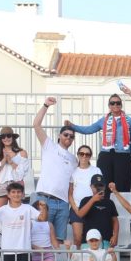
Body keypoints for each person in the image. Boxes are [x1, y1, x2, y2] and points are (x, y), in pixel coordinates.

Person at [66, 92, 131, 191]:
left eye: (118, 103)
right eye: (112, 103)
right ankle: (105, 206)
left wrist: (127, 152)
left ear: (121, 105)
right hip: (106, 156)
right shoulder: (103, 120)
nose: (115, 105)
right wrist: (72, 126)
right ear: (109, 106)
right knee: (104, 185)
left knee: (122, 186)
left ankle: (120, 206)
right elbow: (89, 129)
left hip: (123, 156)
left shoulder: (129, 120)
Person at [32, 98, 79, 246]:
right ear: (59, 135)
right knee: (40, 238)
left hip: (63, 203)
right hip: (45, 199)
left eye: (71, 137)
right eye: (66, 135)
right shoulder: (49, 146)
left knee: (58, 241)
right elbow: (36, 125)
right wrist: (46, 105)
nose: (68, 138)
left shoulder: (74, 159)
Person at [0, 126, 31, 211]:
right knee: (0, 213)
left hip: (16, 184)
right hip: (1, 184)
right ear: (1, 139)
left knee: (17, 213)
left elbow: (22, 173)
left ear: (13, 137)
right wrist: (4, 160)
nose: (6, 138)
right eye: (3, 136)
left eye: (8, 136)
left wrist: (11, 161)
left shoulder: (22, 153)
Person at [74, 173, 120, 248]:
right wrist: (93, 200)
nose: (99, 188)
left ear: (105, 187)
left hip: (106, 241)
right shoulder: (85, 200)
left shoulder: (109, 202)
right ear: (91, 187)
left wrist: (115, 236)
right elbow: (80, 214)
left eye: (101, 186)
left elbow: (115, 221)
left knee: (107, 259)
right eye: (96, 186)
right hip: (88, 242)